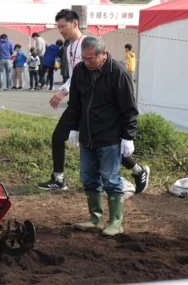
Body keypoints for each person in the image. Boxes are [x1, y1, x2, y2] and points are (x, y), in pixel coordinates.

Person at [37, 8, 149, 194]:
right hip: (80, 102)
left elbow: (93, 70)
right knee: (60, 136)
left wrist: (63, 91)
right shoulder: (69, 47)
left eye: (63, 26)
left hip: (97, 104)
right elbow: (77, 75)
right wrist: (65, 91)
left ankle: (137, 170)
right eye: (58, 27)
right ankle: (59, 178)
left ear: (74, 23)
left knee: (107, 144)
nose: (61, 30)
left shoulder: (88, 44)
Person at [67, 36, 138, 236]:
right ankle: (95, 218)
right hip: (87, 136)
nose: (87, 62)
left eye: (91, 59)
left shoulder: (118, 73)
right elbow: (75, 104)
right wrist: (73, 128)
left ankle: (116, 222)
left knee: (110, 178)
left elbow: (129, 109)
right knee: (88, 178)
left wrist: (128, 136)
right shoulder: (80, 71)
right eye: (84, 58)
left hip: (109, 137)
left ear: (103, 54)